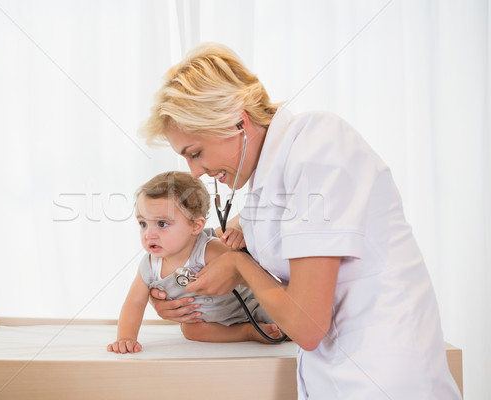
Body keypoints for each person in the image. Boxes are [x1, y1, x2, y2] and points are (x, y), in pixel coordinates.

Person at [139, 43, 462, 399]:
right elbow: (249, 238)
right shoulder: (268, 181)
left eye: (195, 153)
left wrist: (239, 266)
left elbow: (306, 325)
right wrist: (173, 291)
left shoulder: (318, 145)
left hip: (383, 376)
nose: (195, 172)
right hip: (335, 374)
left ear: (237, 121)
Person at [107, 171, 282, 354]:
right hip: (209, 322)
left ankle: (257, 325)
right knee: (190, 330)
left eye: (162, 224)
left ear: (196, 226)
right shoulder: (150, 265)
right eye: (143, 224)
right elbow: (134, 302)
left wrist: (238, 249)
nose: (149, 234)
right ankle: (247, 332)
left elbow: (250, 273)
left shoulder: (209, 249)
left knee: (285, 322)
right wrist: (126, 337)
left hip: (249, 308)